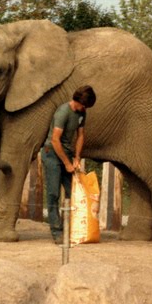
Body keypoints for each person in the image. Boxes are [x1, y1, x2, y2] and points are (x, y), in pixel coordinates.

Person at [41, 85, 97, 242]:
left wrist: (77, 157)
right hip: (52, 153)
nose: (85, 109)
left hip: (67, 153)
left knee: (73, 191)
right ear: (78, 101)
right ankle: (56, 231)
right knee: (53, 193)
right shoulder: (63, 112)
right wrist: (66, 163)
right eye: (84, 106)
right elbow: (55, 140)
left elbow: (80, 135)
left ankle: (74, 227)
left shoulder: (81, 113)